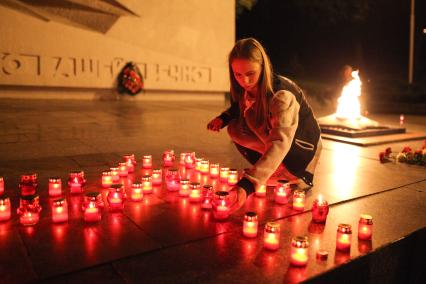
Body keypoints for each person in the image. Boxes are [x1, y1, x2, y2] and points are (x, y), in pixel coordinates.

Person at [207, 38, 322, 210]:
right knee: (235, 128)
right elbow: (238, 107)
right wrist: (223, 118)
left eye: (250, 73)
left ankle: (289, 172)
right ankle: (272, 168)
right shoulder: (246, 89)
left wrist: (247, 186)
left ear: (263, 67)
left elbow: (280, 142)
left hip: (301, 149)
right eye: (238, 74)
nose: (244, 81)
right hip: (281, 140)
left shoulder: (281, 96)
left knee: (258, 129)